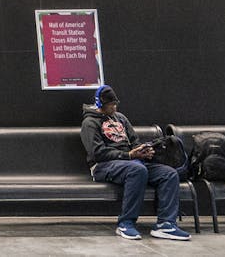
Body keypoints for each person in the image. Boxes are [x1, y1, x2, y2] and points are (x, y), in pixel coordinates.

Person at [81, 84, 191, 241]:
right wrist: (128, 155)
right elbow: (97, 153)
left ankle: (165, 224)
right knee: (137, 170)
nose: (114, 107)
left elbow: (134, 142)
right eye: (111, 105)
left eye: (115, 104)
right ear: (100, 105)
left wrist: (143, 151)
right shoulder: (89, 123)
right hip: (103, 166)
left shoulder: (121, 119)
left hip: (131, 162)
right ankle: (125, 223)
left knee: (169, 173)